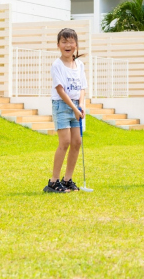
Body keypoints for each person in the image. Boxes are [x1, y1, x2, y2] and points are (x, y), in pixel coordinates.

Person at [44, 28, 87, 194]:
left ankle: (67, 179)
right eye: (64, 42)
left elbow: (82, 87)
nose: (67, 45)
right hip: (62, 106)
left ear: (76, 45)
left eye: (71, 42)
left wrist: (80, 105)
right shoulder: (57, 65)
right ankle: (53, 181)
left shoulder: (79, 65)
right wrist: (74, 108)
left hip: (76, 105)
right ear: (58, 45)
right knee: (65, 142)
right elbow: (60, 90)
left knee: (77, 142)